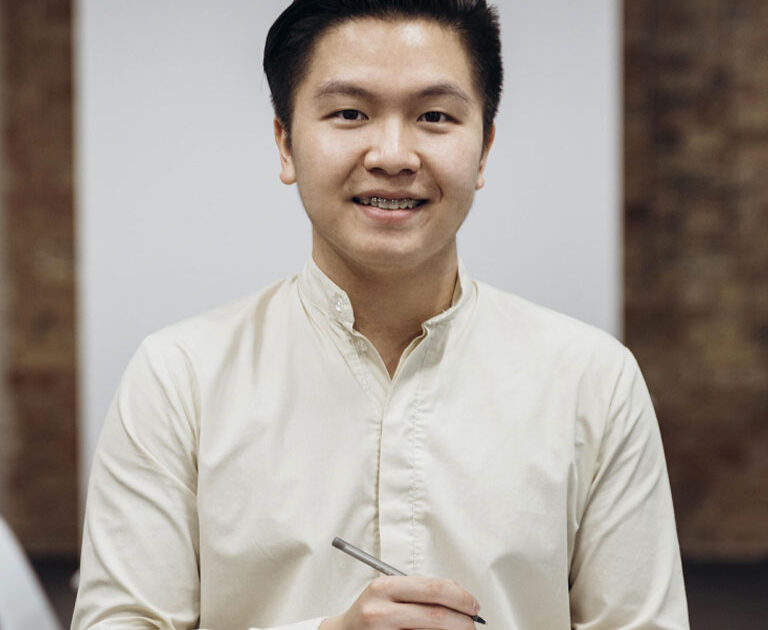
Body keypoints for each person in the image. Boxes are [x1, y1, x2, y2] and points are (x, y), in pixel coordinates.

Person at [71, 1, 690, 629]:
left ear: (483, 149)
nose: (393, 155)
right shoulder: (180, 378)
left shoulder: (592, 380)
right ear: (285, 143)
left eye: (434, 116)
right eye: (350, 113)